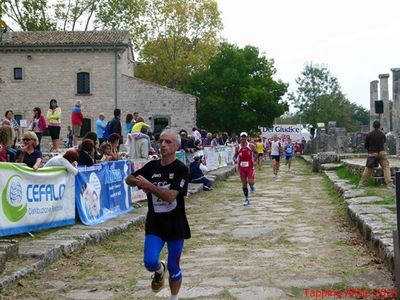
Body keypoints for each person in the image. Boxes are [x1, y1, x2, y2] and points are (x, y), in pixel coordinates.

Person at [125, 129, 190, 300]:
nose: (162, 145)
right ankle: (160, 269)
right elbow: (129, 179)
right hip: (155, 224)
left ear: (176, 146)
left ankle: (173, 297)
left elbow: (170, 197)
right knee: (149, 262)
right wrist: (138, 181)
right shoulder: (152, 166)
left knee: (174, 266)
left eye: (168, 142)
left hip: (176, 224)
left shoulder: (180, 169)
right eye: (161, 141)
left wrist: (150, 186)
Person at [360, 120, 394, 189]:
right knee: (386, 167)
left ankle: (362, 184)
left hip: (372, 153)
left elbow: (366, 145)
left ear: (373, 126)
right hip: (382, 152)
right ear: (379, 126)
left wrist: (370, 151)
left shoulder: (369, 134)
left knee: (368, 168)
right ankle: (389, 184)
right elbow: (384, 142)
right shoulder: (382, 134)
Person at [233, 132, 256, 206]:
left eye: (244, 137)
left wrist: (254, 160)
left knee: (250, 182)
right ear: (240, 138)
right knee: (244, 183)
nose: (243, 138)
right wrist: (235, 160)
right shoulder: (237, 147)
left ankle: (252, 186)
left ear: (247, 137)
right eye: (242, 137)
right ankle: (246, 199)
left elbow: (256, 153)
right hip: (241, 167)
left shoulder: (251, 146)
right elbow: (235, 156)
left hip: (250, 167)